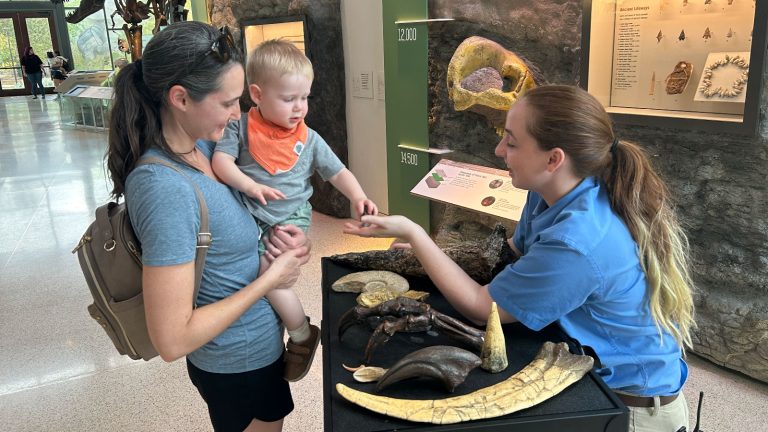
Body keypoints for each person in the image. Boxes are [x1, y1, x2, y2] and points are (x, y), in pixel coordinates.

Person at [344, 85, 695, 432]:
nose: (498, 150)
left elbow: (482, 307)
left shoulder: (578, 241)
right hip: (586, 365)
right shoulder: (551, 193)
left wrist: (416, 235)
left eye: (512, 142)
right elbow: (513, 251)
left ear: (553, 158)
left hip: (629, 406)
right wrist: (435, 254)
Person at [106, 22, 311, 432]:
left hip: (257, 348)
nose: (238, 114)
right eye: (227, 102)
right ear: (180, 98)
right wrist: (270, 278)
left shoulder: (203, 147)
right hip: (236, 362)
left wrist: (282, 234)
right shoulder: (164, 187)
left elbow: (223, 237)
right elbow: (172, 339)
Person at [211, 39, 378, 382]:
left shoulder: (309, 138)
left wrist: (358, 196)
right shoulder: (238, 128)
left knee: (267, 276)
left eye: (305, 98)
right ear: (256, 94)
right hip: (250, 211)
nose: (299, 108)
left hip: (290, 218)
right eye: (288, 99)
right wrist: (250, 186)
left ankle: (301, 332)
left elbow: (337, 171)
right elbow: (221, 162)